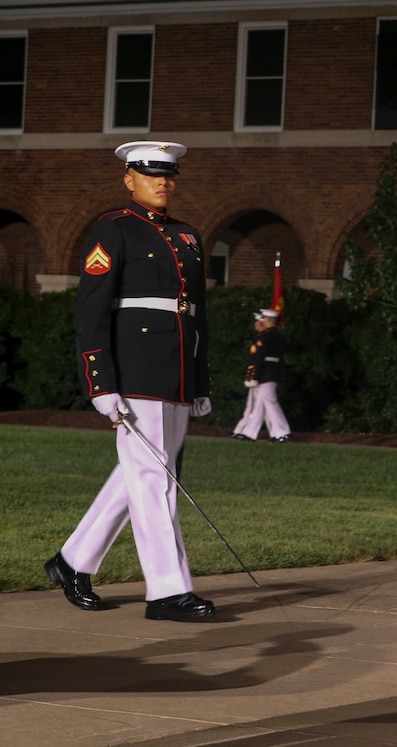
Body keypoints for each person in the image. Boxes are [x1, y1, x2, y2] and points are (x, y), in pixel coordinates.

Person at [45, 140, 215, 622]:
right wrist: (101, 382)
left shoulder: (188, 235)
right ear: (129, 179)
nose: (162, 181)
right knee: (152, 477)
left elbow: (197, 315)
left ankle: (72, 560)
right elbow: (91, 311)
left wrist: (200, 380)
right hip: (136, 368)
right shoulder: (112, 229)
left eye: (169, 174)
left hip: (178, 368)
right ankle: (167, 591)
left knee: (148, 474)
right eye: (150, 173)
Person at [232, 308, 291, 443]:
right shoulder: (278, 336)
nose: (261, 321)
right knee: (260, 405)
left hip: (266, 374)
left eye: (263, 319)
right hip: (272, 373)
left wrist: (254, 377)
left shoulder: (265, 337)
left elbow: (259, 358)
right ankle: (251, 433)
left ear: (268, 320)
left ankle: (283, 432)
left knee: (270, 403)